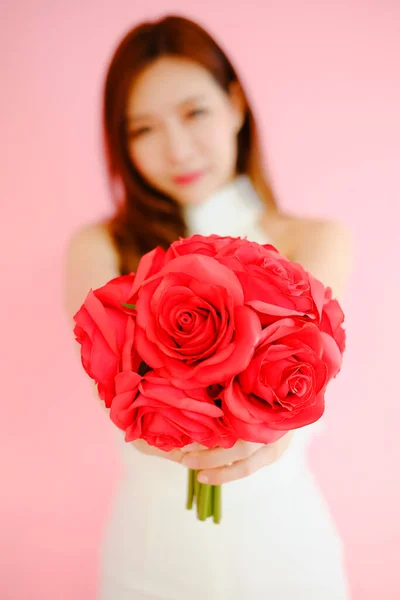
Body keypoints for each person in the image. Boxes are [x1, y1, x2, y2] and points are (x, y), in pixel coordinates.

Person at [64, 14, 352, 600]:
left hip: (283, 545)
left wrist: (267, 434)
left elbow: (301, 370)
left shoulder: (311, 241)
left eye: (194, 112)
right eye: (142, 129)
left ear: (236, 105)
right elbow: (115, 398)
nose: (176, 148)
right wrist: (176, 427)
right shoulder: (100, 248)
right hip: (152, 549)